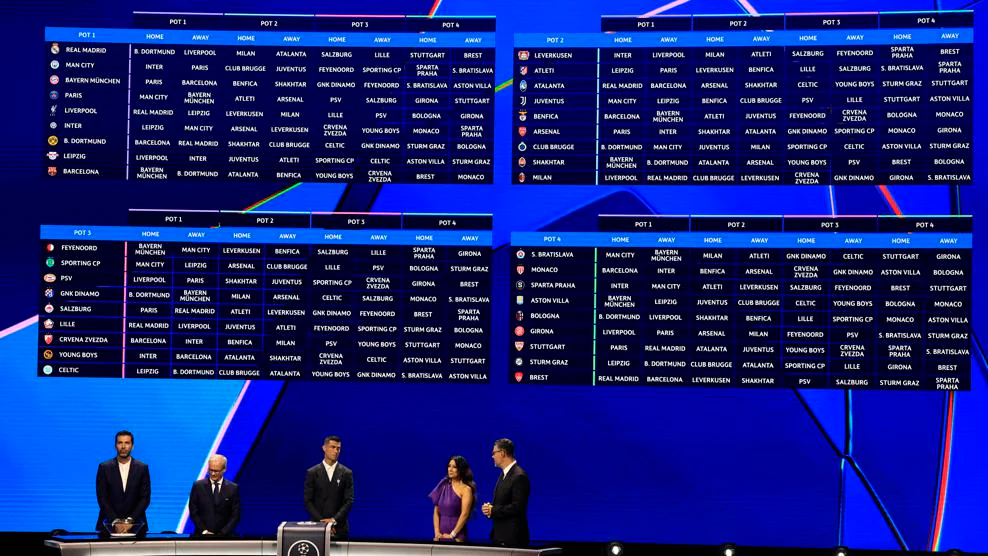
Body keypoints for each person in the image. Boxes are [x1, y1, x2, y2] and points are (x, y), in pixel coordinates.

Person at [95, 430, 151, 533]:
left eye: (127, 443)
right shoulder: (104, 468)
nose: (123, 447)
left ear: (132, 446)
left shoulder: (142, 468)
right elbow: (102, 498)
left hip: (136, 526)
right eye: (120, 443)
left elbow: (145, 498)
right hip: (108, 526)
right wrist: (115, 521)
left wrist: (130, 521)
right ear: (115, 445)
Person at [304, 435, 354, 539]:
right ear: (324, 448)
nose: (336, 451)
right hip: (317, 527)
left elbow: (349, 501)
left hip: (339, 528)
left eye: (338, 448)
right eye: (333, 447)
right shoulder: (312, 473)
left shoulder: (346, 473)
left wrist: (333, 520)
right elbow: (308, 501)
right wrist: (322, 523)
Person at [482, 438, 530, 547]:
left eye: (494, 453)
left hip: (512, 539)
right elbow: (504, 503)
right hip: (500, 536)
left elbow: (517, 507)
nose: (492, 456)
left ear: (502, 453)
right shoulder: (504, 475)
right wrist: (490, 509)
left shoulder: (519, 476)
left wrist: (493, 510)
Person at [188, 454, 241, 536]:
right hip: (202, 536)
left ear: (224, 469)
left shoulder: (233, 488)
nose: (212, 474)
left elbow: (235, 515)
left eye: (216, 471)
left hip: (225, 537)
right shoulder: (198, 486)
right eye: (210, 470)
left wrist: (222, 533)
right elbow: (193, 511)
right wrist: (204, 531)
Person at [428, 456, 476, 542]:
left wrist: (452, 535)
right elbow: (436, 512)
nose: (450, 469)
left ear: (460, 469)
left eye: (454, 467)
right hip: (441, 535)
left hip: (457, 535)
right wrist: (437, 532)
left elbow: (465, 514)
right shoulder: (443, 485)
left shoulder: (466, 490)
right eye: (449, 466)